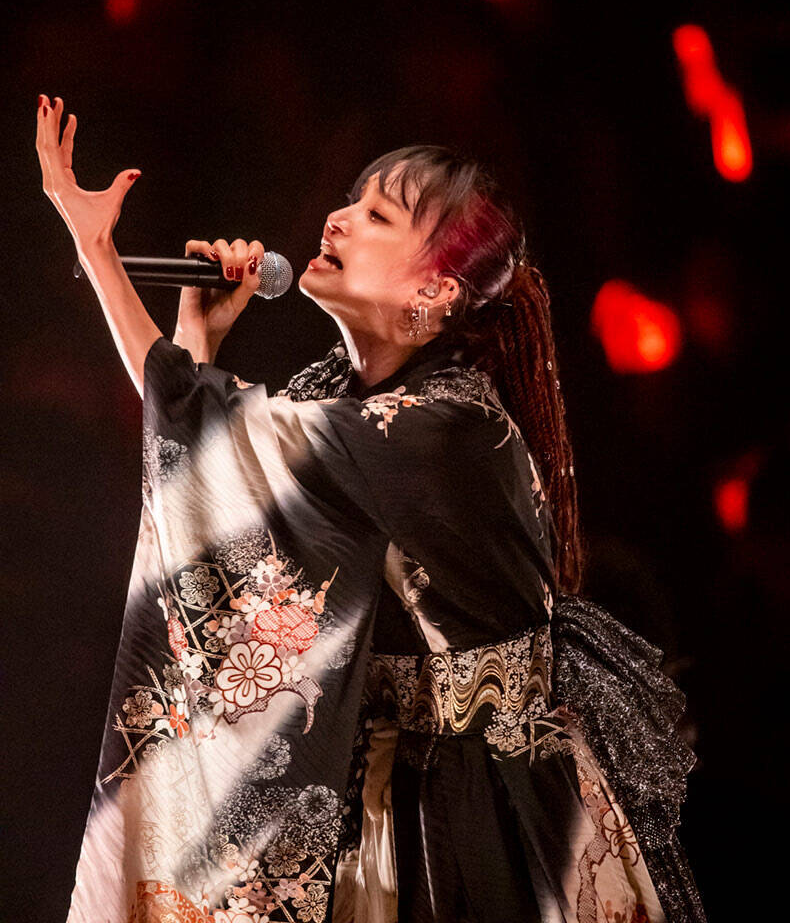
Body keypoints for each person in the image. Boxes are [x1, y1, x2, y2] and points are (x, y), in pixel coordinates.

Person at [36, 95, 707, 923]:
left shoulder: (448, 428)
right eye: (351, 200)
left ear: (436, 288)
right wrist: (197, 339)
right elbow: (213, 466)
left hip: (472, 814)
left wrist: (97, 250)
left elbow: (211, 436)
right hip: (383, 793)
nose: (338, 218)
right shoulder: (341, 395)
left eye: (377, 215)